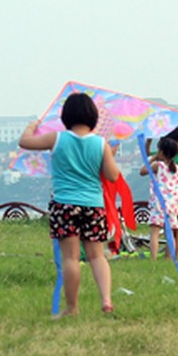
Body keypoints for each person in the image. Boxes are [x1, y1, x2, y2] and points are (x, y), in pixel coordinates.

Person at [19, 92, 120, 317]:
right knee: (97, 256)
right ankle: (106, 300)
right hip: (94, 205)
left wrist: (31, 126)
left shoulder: (56, 138)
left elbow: (24, 142)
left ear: (66, 116)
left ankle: (72, 308)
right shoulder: (100, 143)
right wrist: (110, 156)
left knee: (71, 257)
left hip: (65, 204)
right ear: (93, 116)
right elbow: (112, 176)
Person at [140, 136, 178, 260]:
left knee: (154, 233)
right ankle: (171, 258)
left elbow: (142, 171)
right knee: (170, 233)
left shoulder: (158, 166)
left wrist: (154, 157)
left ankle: (153, 259)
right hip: (172, 204)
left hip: (159, 203)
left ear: (161, 151)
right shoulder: (177, 168)